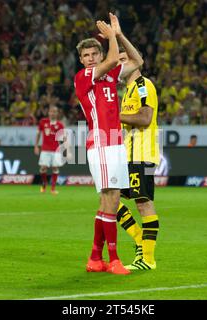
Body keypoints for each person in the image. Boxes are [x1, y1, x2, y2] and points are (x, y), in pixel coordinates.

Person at [74, 13, 143, 275]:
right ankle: (113, 259)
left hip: (115, 142)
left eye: (94, 54)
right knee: (111, 200)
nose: (90, 59)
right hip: (101, 142)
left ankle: (95, 257)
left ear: (99, 55)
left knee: (108, 201)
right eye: (86, 56)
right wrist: (112, 36)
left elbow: (137, 61)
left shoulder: (111, 75)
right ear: (81, 61)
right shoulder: (83, 78)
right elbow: (115, 58)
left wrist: (120, 35)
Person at [116, 46, 160, 271]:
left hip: (143, 155)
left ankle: (148, 259)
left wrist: (114, 115)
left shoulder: (144, 85)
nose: (118, 65)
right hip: (129, 155)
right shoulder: (128, 92)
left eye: (122, 60)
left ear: (133, 61)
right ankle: (140, 241)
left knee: (144, 204)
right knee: (112, 199)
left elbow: (145, 118)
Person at [34, 105, 65, 195]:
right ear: (48, 112)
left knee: (55, 167)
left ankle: (53, 189)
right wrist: (36, 145)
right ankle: (44, 184)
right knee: (43, 168)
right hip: (45, 149)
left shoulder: (60, 125)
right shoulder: (43, 122)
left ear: (57, 113)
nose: (52, 113)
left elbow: (64, 137)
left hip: (55, 149)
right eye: (51, 111)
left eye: (54, 112)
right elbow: (38, 134)